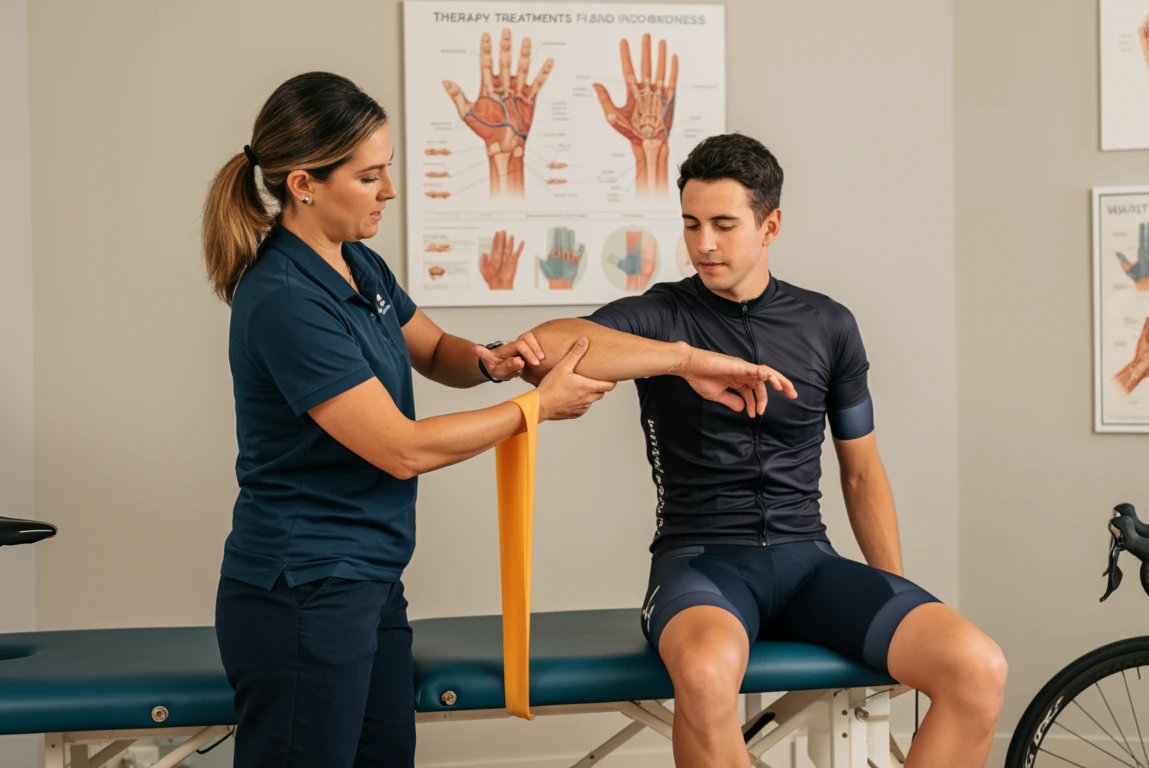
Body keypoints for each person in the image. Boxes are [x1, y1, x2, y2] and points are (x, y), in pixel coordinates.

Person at [199, 73, 792, 767]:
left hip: (367, 582)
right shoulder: (284, 300)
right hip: (301, 590)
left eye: (386, 168)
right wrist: (535, 409)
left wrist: (492, 361)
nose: (390, 190)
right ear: (304, 184)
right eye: (369, 176)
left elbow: (434, 350)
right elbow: (401, 449)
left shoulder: (357, 263)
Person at [516, 133, 1008, 767]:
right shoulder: (663, 315)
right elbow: (550, 343)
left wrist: (892, 589)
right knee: (704, 673)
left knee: (978, 667)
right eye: (691, 224)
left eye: (723, 224)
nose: (704, 244)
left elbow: (861, 473)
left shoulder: (829, 325)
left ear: (770, 224)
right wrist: (681, 360)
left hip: (810, 563)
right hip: (701, 562)